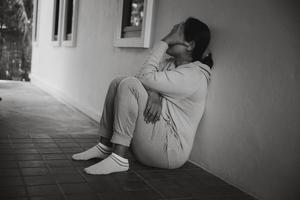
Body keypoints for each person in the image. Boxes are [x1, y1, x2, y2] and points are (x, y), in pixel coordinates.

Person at [72, 17, 213, 175]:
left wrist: (164, 41)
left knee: (129, 85)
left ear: (190, 45)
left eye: (175, 34)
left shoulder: (193, 75)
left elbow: (142, 80)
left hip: (169, 151)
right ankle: (104, 147)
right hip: (155, 137)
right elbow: (143, 79)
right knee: (118, 82)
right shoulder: (170, 64)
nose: (170, 36)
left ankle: (119, 159)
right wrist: (154, 94)